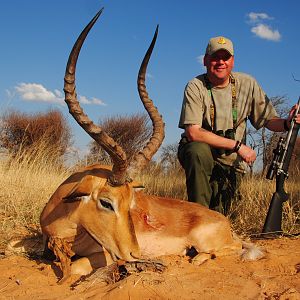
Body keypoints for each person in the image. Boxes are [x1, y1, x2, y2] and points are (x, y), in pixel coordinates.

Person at [177, 36, 300, 215]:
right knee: (198, 151)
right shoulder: (196, 86)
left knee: (223, 215)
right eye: (214, 57)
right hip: (203, 158)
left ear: (232, 61)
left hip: (231, 163)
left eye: (225, 58)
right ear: (205, 60)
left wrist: (288, 123)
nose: (220, 62)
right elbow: (193, 132)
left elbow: (268, 120)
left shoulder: (247, 83)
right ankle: (198, 221)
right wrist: (238, 146)